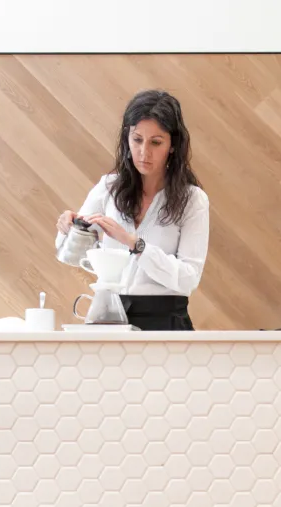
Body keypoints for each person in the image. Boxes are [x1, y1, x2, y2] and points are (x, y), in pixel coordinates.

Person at [55, 89, 209, 331]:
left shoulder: (193, 200)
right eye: (137, 139)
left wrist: (135, 244)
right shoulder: (108, 187)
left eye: (156, 142)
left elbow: (188, 279)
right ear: (127, 138)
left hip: (165, 322)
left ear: (172, 145)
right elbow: (72, 255)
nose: (144, 152)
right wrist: (69, 228)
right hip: (109, 318)